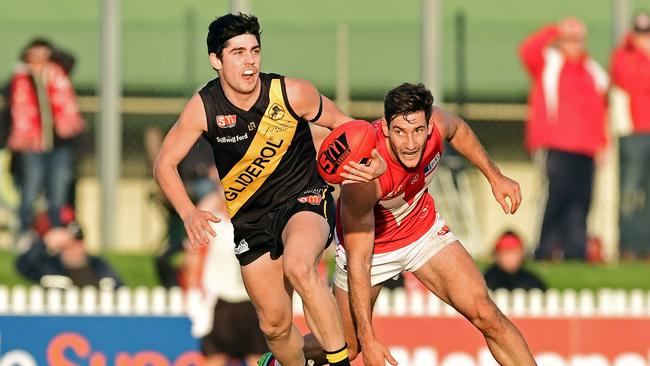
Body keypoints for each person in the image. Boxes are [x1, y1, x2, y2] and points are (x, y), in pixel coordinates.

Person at [153, 13, 384, 366]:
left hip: (304, 200)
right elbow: (164, 163)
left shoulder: (292, 92)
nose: (249, 62)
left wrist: (373, 159)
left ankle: (339, 363)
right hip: (252, 220)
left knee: (299, 266)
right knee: (274, 326)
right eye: (238, 53)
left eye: (254, 51)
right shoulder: (204, 107)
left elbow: (348, 126)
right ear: (216, 60)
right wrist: (187, 211)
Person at [296, 83, 536, 366]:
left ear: (429, 124)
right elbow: (360, 261)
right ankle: (280, 355)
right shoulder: (363, 179)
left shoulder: (438, 125)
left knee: (486, 314)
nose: (410, 144)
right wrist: (370, 338)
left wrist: (496, 177)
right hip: (372, 249)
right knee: (349, 347)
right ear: (385, 129)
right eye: (399, 132)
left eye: (417, 131)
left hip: (421, 229)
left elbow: (460, 131)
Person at [519, 18, 609, 261]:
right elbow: (527, 50)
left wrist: (602, 143)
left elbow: (600, 110)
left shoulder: (592, 71)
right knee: (556, 196)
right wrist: (555, 29)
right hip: (555, 145)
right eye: (568, 39)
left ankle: (575, 251)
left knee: (582, 201)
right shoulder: (549, 63)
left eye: (577, 39)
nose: (573, 45)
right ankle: (546, 249)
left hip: (586, 148)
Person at [8, 38, 85, 238]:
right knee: (30, 190)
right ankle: (25, 233)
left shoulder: (58, 74)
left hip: (59, 144)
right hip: (31, 145)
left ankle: (56, 231)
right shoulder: (19, 80)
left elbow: (70, 59)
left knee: (58, 191)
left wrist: (50, 56)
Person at [184, 191, 268, 366]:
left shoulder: (258, 224)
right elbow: (193, 258)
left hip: (252, 300)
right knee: (216, 356)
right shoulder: (214, 226)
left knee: (258, 357)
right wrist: (193, 293)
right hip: (220, 300)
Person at [610, 12, 650, 260]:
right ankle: (629, 245)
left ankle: (647, 246)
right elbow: (633, 81)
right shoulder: (623, 56)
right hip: (633, 133)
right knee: (630, 192)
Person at [15, 222, 123, 289]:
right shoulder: (50, 266)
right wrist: (44, 243)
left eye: (78, 242)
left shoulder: (98, 265)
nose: (75, 248)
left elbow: (120, 289)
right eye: (69, 244)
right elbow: (23, 266)